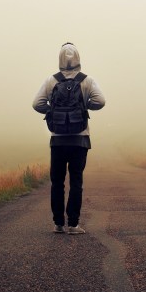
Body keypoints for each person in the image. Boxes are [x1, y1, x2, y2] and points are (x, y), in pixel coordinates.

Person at [32, 42, 105, 234]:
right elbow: (101, 101)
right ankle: (73, 224)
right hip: (80, 139)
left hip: (57, 140)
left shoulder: (51, 80)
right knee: (76, 181)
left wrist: (52, 111)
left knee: (57, 182)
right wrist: (84, 106)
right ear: (78, 58)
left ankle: (58, 224)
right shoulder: (87, 81)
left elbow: (37, 103)